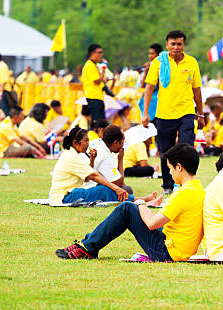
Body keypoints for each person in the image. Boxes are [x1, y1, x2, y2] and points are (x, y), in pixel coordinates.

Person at [56, 143, 205, 261]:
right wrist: (144, 206)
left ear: (179, 167)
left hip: (167, 252)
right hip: (176, 246)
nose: (170, 173)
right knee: (130, 208)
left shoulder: (183, 194)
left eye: (170, 169)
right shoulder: (199, 190)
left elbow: (152, 223)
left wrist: (140, 203)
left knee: (127, 208)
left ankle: (87, 247)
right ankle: (87, 244)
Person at [142, 30, 205, 194]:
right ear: (167, 45)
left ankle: (187, 185)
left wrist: (201, 113)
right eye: (173, 44)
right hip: (164, 114)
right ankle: (168, 186)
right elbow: (149, 87)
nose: (176, 47)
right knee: (166, 151)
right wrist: (146, 113)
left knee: (187, 148)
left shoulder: (192, 62)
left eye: (179, 44)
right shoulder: (159, 62)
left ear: (184, 45)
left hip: (186, 112)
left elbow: (197, 90)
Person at [138, 43, 163, 120]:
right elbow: (142, 85)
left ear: (158, 54)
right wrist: (146, 71)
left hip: (157, 97)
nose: (150, 56)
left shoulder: (162, 66)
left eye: (152, 53)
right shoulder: (149, 66)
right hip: (149, 97)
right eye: (149, 54)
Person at [82, 43, 106, 121]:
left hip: (97, 96)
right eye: (99, 52)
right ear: (92, 53)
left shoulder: (93, 64)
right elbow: (97, 81)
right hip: (93, 97)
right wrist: (104, 69)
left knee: (100, 120)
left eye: (102, 52)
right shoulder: (89, 65)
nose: (101, 54)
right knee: (98, 121)